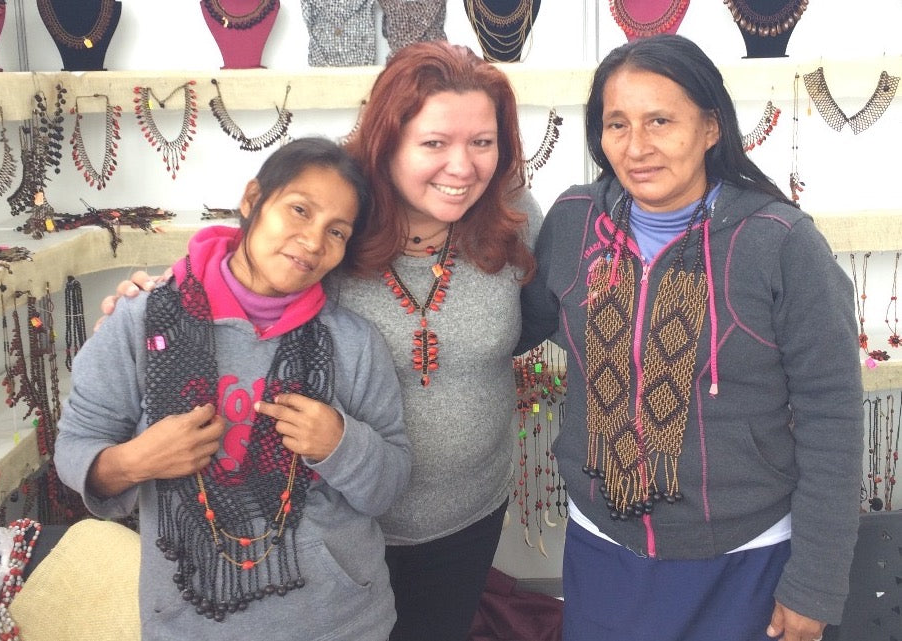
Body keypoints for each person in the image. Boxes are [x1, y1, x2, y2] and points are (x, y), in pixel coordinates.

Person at [99, 40, 542, 641]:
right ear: (388, 142)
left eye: (482, 143)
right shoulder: (339, 215)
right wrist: (154, 300)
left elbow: (539, 316)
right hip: (325, 533)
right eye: (434, 143)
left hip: (466, 514)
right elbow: (243, 268)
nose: (461, 167)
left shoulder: (512, 214)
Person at [518, 34, 862, 641]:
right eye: (616, 124)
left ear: (710, 128)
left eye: (660, 121)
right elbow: (513, 324)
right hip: (604, 543)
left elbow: (831, 417)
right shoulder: (574, 222)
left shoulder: (780, 244)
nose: (637, 147)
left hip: (744, 554)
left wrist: (815, 584)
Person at [55, 137, 412, 641]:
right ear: (252, 200)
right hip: (191, 625)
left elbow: (390, 484)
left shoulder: (352, 342)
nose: (312, 241)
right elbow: (74, 447)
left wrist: (340, 444)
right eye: (299, 210)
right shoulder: (143, 322)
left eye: (336, 231)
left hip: (339, 622)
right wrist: (137, 461)